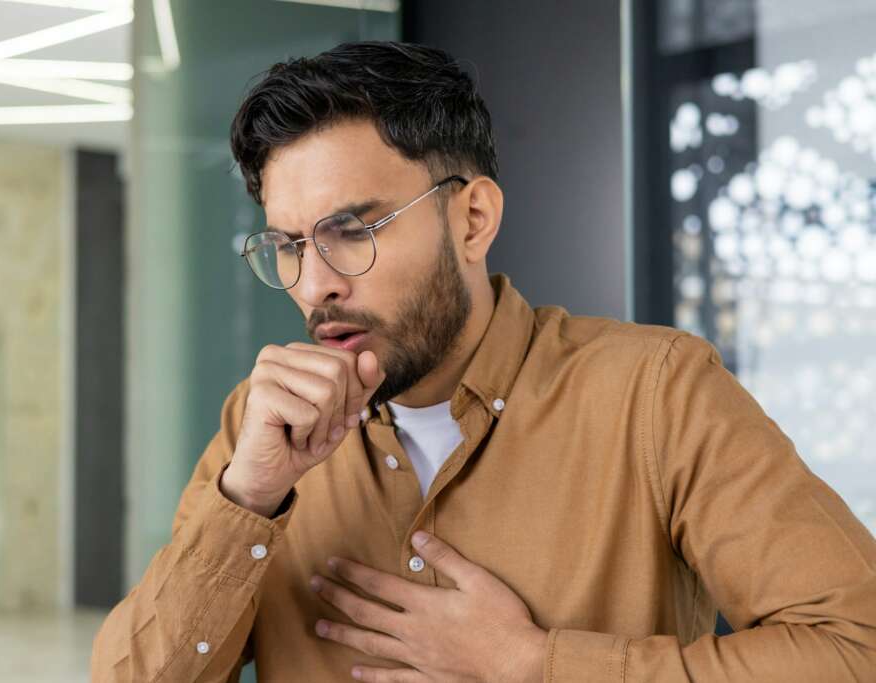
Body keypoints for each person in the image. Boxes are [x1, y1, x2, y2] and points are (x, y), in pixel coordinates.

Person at [91, 41, 876, 682]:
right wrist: (250, 496)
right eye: (288, 246)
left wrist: (537, 665)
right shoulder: (257, 429)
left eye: (349, 231)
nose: (316, 283)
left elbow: (855, 645)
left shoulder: (656, 393)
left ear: (472, 219)